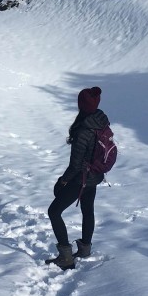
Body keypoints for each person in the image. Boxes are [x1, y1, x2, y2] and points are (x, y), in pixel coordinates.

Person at [47, 86, 109, 270]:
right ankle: (84, 249)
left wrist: (62, 181)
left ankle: (66, 258)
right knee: (87, 210)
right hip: (95, 176)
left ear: (81, 105)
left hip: (81, 178)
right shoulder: (101, 121)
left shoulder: (84, 129)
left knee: (54, 212)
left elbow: (75, 165)